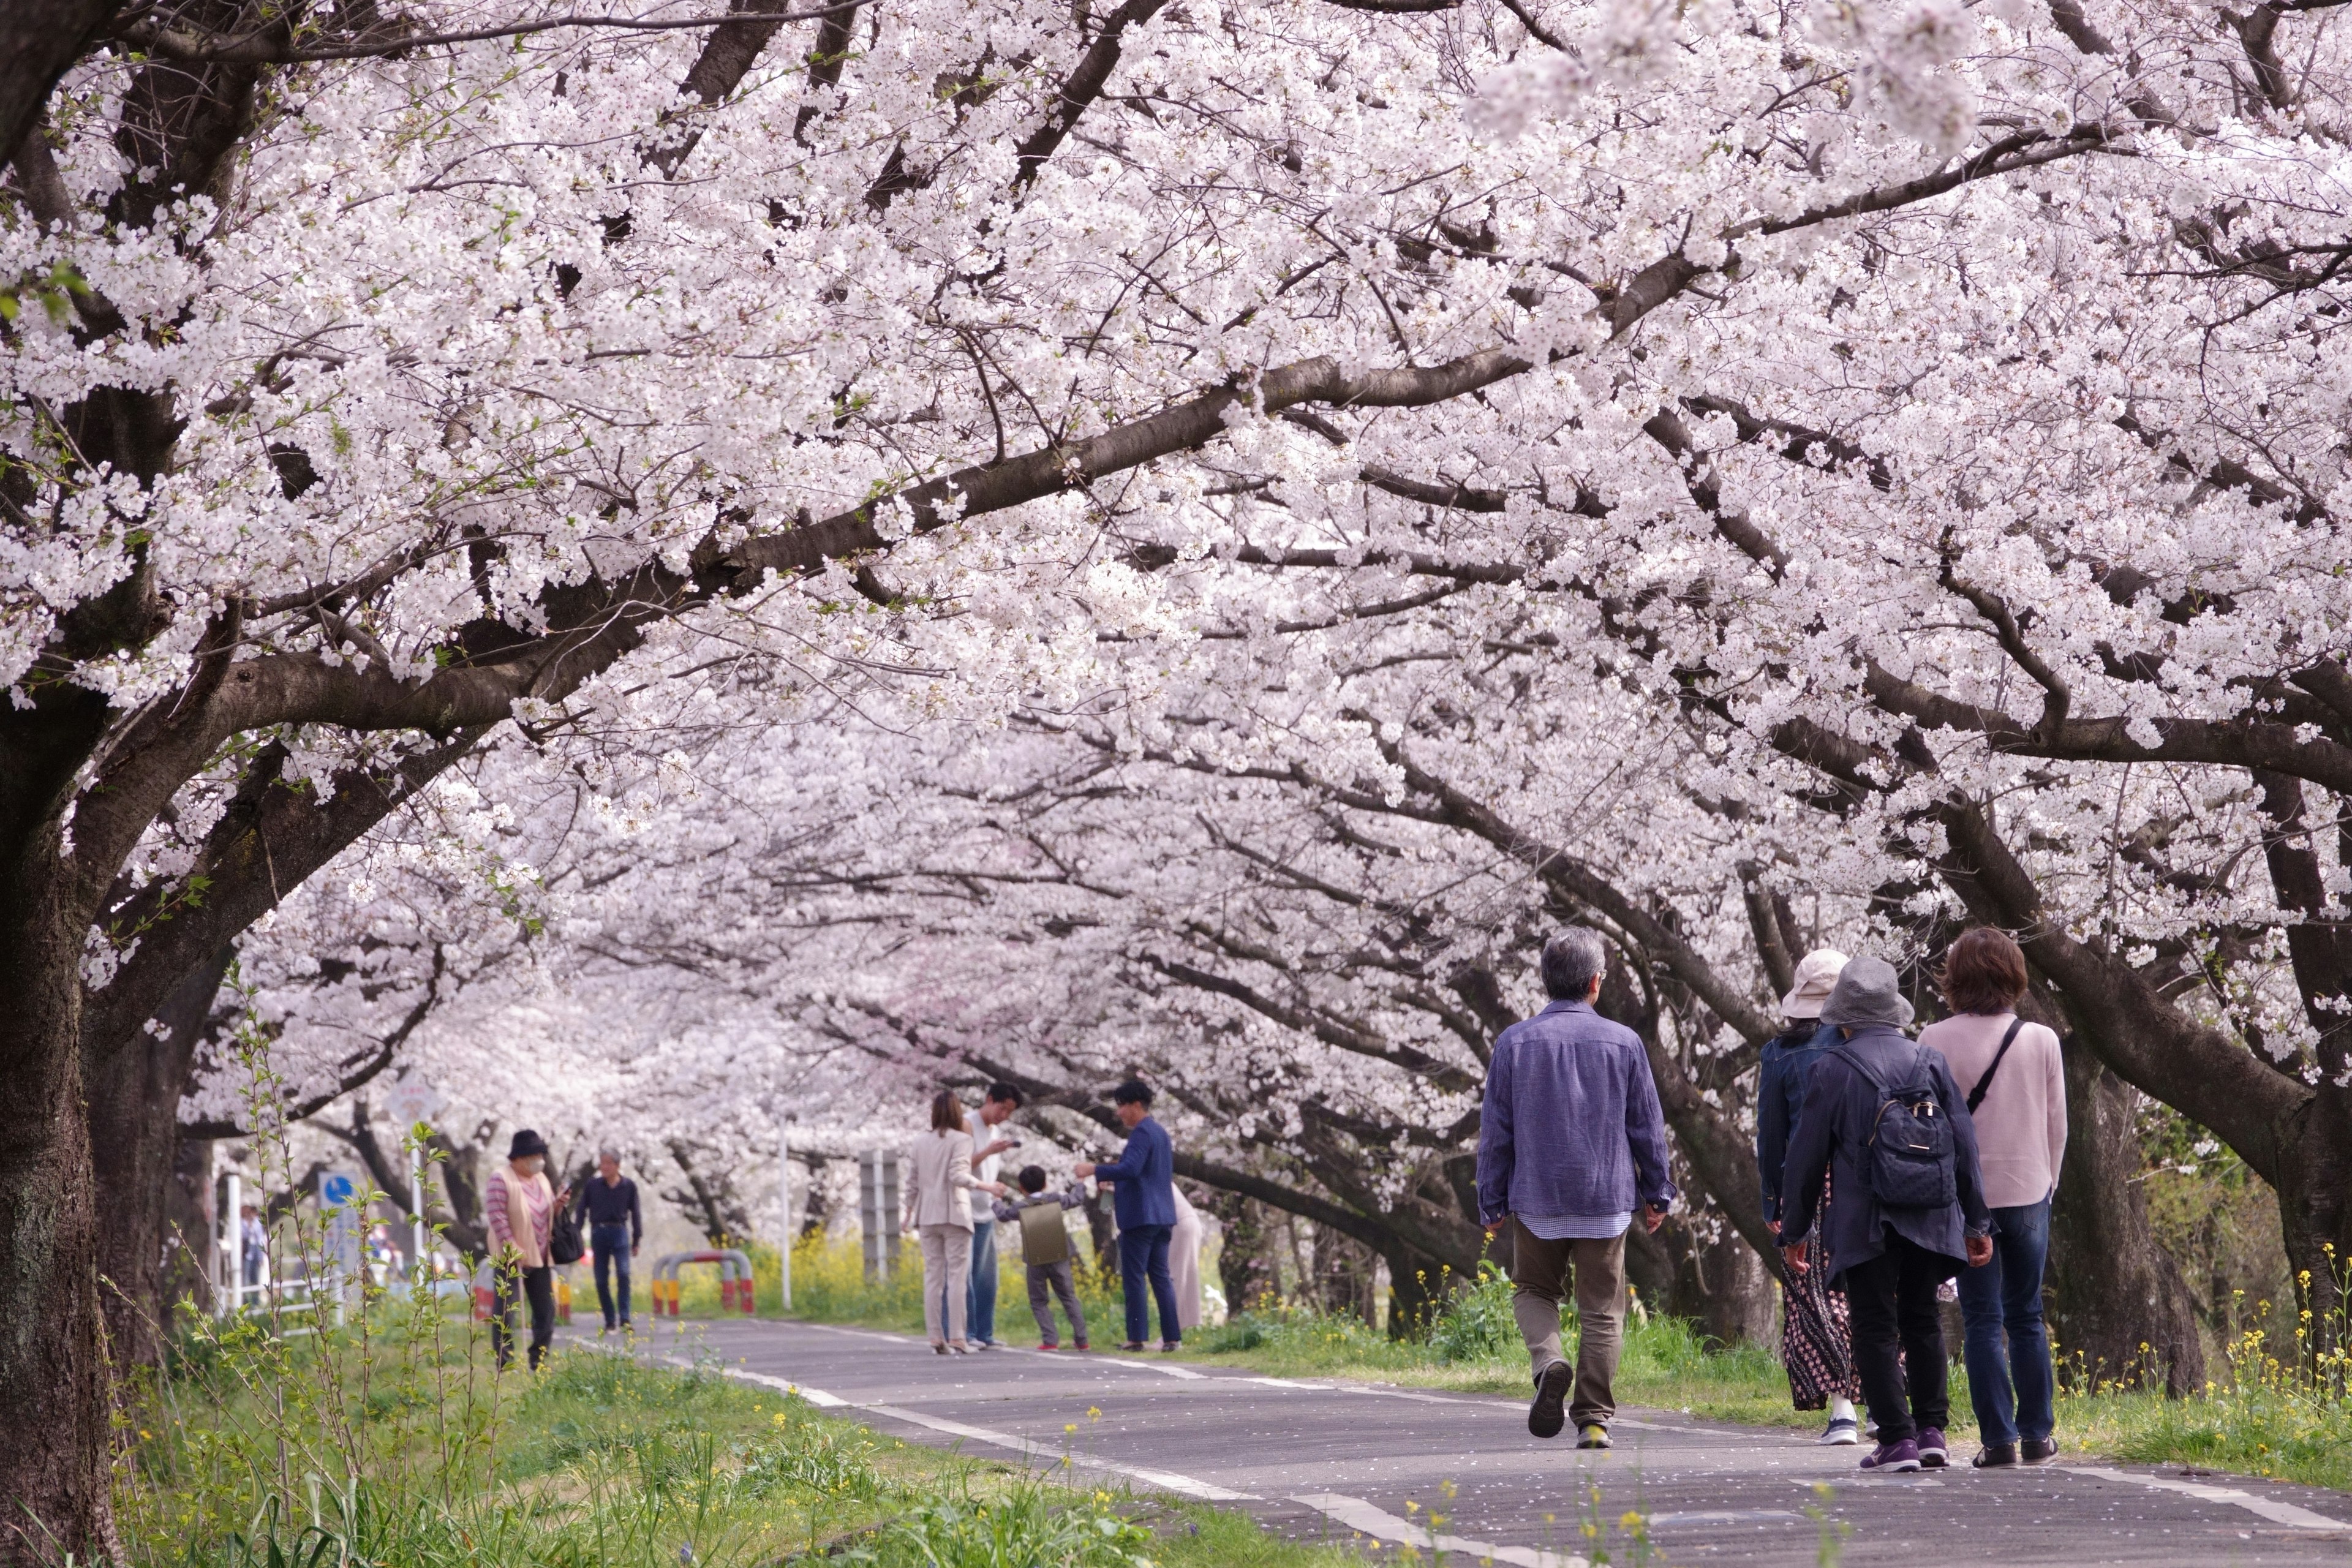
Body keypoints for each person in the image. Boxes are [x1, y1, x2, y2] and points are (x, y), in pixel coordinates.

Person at [1781, 956, 1994, 1473]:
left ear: (1844, 1018)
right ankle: (1932, 1433)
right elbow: (1964, 1142)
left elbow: (1806, 1157)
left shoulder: (1831, 1068)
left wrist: (1795, 1230)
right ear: (1894, 1012)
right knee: (1922, 1318)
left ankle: (1896, 1440)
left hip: (1864, 1217)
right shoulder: (1929, 1061)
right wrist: (1977, 1220)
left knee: (1874, 1324)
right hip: (1930, 1210)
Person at [1476, 927, 1676, 1450]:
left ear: (1545, 982)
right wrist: (1658, 1192)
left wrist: (1490, 1201)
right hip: (1605, 1200)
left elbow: (1497, 1131)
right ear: (1595, 983)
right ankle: (1593, 1420)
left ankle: (1550, 1362)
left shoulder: (1514, 1043)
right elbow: (1646, 1127)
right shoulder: (1625, 1042)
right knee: (1603, 1310)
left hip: (1537, 1198)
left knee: (1534, 1290)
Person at [1920, 927, 2067, 1468]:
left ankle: (1998, 1440)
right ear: (2013, 975)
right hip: (2030, 1187)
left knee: (1981, 1318)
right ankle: (2037, 1435)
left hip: (1965, 1198)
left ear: (1956, 978)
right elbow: (2058, 1127)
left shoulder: (1933, 1039)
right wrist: (2048, 1183)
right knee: (2027, 1313)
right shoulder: (2041, 1039)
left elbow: (1928, 1124)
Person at [1757, 948, 1864, 1445]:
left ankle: (1843, 1412)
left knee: (1818, 1298)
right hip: (1869, 1183)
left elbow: (1772, 1136)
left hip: (1810, 1185)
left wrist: (1774, 1202)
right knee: (1875, 1292)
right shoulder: (1872, 1044)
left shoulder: (1780, 1054)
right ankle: (1886, 1407)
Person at [1074, 1080, 1182, 1352]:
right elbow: (1144, 1173)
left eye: (1122, 1106)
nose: (1119, 1112)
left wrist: (1094, 1170)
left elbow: (1132, 1168)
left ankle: (1137, 1337)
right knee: (1160, 1276)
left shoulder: (1142, 1133)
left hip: (1140, 1216)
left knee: (1134, 1277)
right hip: (1163, 1215)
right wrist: (1115, 1182)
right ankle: (1172, 1338)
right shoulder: (1159, 1133)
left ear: (1136, 1105)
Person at [904, 1091, 1006, 1353]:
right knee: (958, 1277)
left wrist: (907, 1214)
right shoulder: (962, 1139)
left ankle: (936, 1338)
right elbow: (958, 1175)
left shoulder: (920, 1141)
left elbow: (912, 1182)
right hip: (955, 1215)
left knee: (933, 1278)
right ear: (957, 1112)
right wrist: (987, 1186)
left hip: (926, 1217)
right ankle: (958, 1338)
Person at [486, 1129, 567, 1371]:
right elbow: (497, 1217)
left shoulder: (541, 1179)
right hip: (510, 1258)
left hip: (541, 1255)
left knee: (546, 1311)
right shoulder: (500, 1178)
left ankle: (538, 1359)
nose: (539, 1160)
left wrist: (558, 1205)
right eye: (534, 1155)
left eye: (541, 1154)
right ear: (519, 1158)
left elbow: (546, 1213)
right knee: (507, 1312)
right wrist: (513, 1247)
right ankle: (505, 1361)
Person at [992, 1165, 1091, 1350]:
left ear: (1021, 1187)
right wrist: (1080, 1182)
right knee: (1069, 1297)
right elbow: (1077, 1199)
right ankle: (1082, 1340)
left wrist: (997, 1199)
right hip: (1059, 1254)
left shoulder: (1020, 1206)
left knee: (1038, 1301)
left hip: (1035, 1257)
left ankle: (1050, 1340)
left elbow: (1003, 1215)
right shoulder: (1054, 1200)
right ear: (1045, 1184)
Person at [965, 1082, 1025, 1349]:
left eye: (1009, 1112)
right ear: (989, 1100)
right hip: (965, 1208)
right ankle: (965, 1333)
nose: (1004, 1116)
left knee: (987, 1277)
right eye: (1002, 1108)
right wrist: (989, 1150)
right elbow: (960, 1166)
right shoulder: (966, 1124)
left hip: (987, 1208)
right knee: (965, 1275)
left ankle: (984, 1333)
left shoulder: (996, 1130)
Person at [575, 1144, 644, 1334]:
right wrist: (577, 1231)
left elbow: (636, 1213)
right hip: (599, 1232)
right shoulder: (593, 1185)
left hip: (620, 1232)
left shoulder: (628, 1186)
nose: (604, 1167)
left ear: (617, 1165)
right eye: (602, 1163)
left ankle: (625, 1318)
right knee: (601, 1280)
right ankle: (610, 1319)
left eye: (608, 1163)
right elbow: (581, 1209)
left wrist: (637, 1239)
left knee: (623, 1273)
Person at [1169, 1185, 1205, 1333]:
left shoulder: (1143, 1174)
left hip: (1180, 1224)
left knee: (1176, 1277)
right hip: (1188, 1222)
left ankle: (1173, 1332)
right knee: (1183, 1276)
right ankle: (1184, 1328)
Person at [239, 1203, 266, 1294]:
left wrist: (262, 1256)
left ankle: (255, 1299)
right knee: (246, 1276)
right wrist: (249, 1225)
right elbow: (244, 1234)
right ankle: (246, 1298)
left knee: (256, 1276)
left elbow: (260, 1238)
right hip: (247, 1251)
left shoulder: (257, 1222)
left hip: (256, 1250)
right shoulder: (242, 1222)